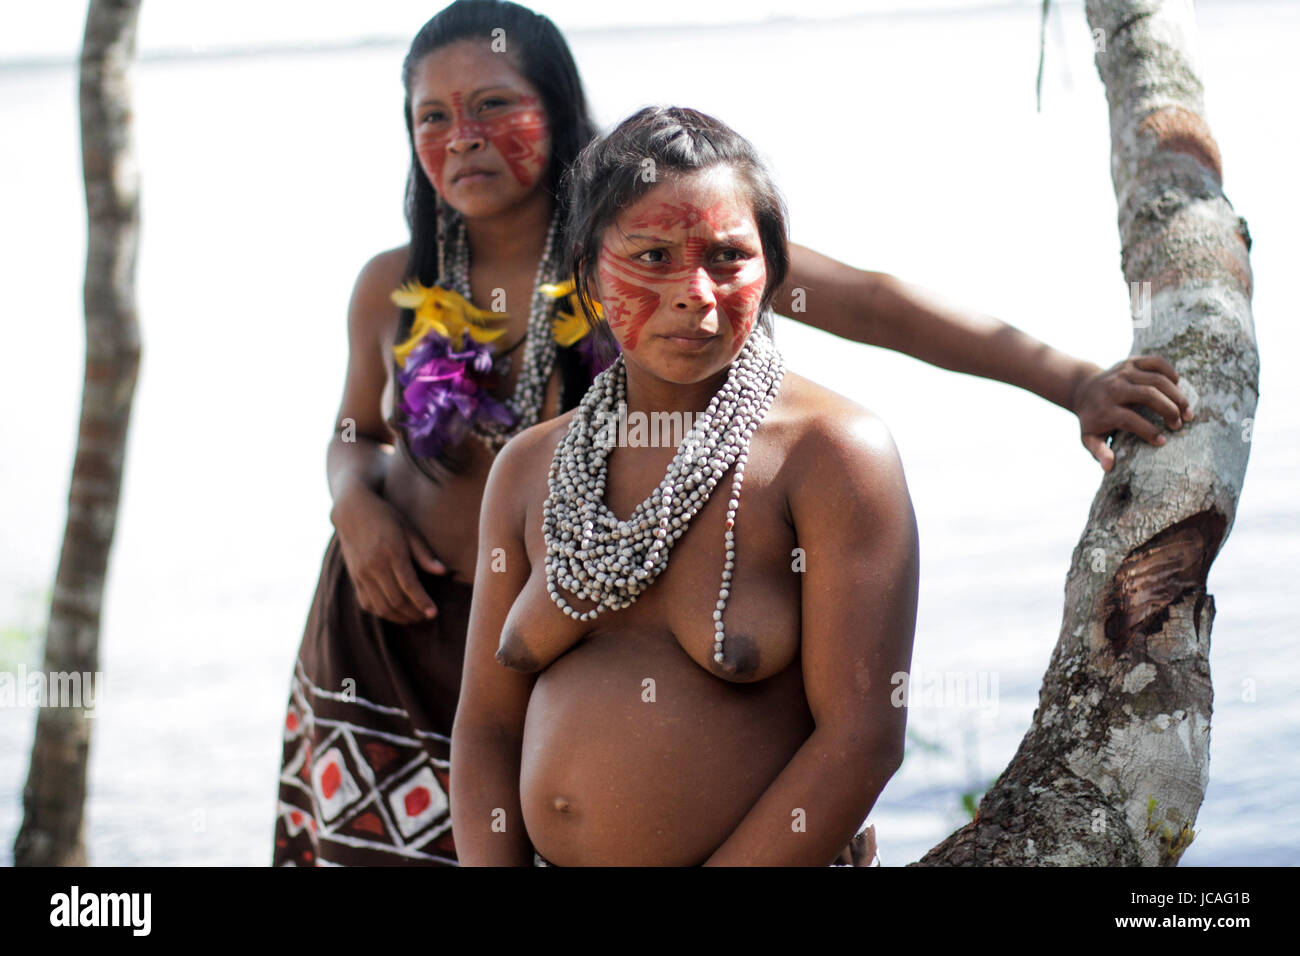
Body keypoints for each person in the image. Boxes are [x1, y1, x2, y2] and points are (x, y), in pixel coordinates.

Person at [274, 0, 1190, 867]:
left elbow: (873, 302)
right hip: (396, 635)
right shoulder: (403, 284)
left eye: (492, 105)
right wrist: (352, 500)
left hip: (578, 619)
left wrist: (1072, 380)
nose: (464, 135)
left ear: (554, 108)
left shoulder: (665, 221)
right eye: (432, 116)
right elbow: (357, 431)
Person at [451, 106, 919, 866]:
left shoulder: (829, 455)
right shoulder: (529, 469)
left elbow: (864, 739)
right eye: (653, 256)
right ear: (588, 275)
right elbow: (484, 728)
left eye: (728, 257)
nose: (695, 290)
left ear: (774, 271)